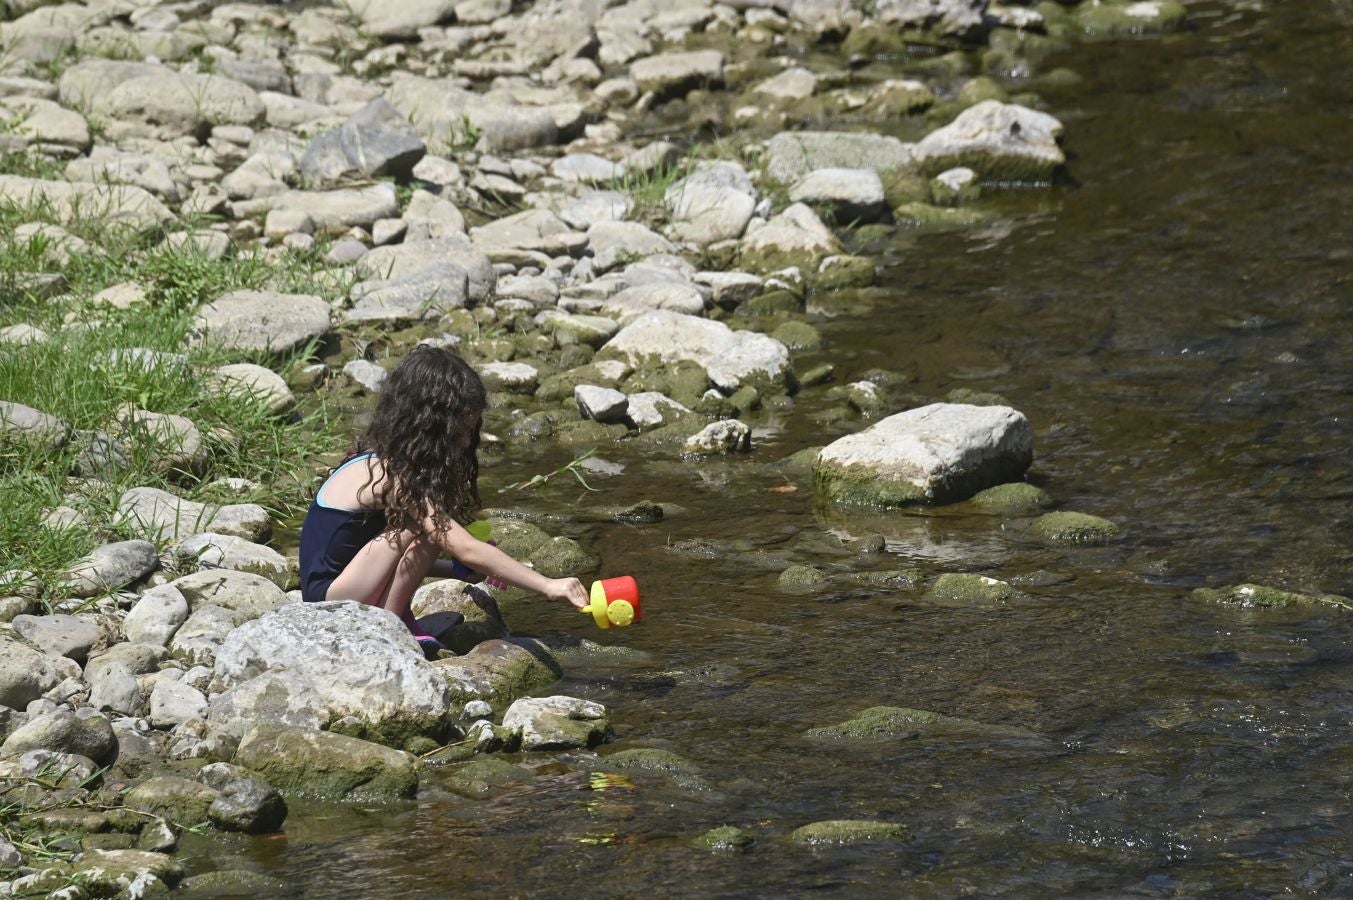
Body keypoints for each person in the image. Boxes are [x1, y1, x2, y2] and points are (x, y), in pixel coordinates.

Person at [298, 346, 589, 654]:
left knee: (430, 526)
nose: (465, 442)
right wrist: (548, 585)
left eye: (470, 430)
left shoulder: (381, 460)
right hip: (330, 604)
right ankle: (393, 621)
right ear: (428, 426)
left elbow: (382, 559)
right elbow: (464, 545)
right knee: (433, 524)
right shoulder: (391, 476)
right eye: (459, 432)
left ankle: (395, 615)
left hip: (345, 590)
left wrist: (457, 570)